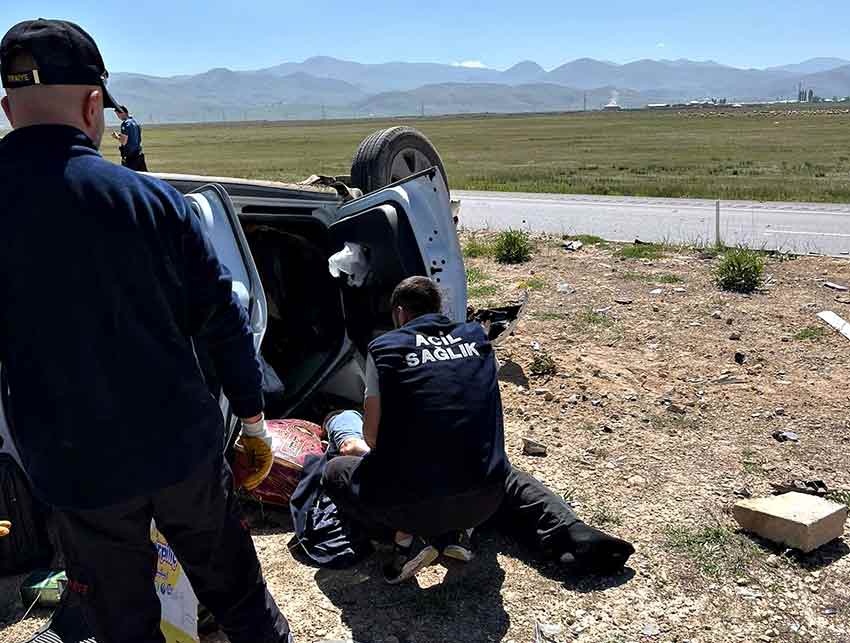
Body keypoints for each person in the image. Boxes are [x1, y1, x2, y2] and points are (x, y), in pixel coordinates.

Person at [0, 19, 293, 643]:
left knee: (121, 621)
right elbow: (222, 317)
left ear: (7, 108)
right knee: (240, 597)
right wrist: (252, 421)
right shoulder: (155, 203)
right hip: (179, 448)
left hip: (75, 467)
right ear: (93, 105)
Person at [320, 276, 510, 583]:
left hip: (412, 505)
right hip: (487, 498)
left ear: (399, 313)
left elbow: (372, 437)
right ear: (439, 308)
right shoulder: (478, 338)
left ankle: (404, 541)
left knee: (334, 472)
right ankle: (456, 534)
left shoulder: (384, 349)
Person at [112, 103, 147, 171]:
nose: (118, 117)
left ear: (123, 113)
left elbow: (124, 142)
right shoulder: (135, 123)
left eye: (118, 114)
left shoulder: (125, 124)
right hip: (139, 155)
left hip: (131, 158)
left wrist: (116, 136)